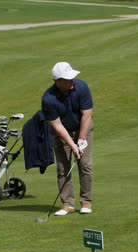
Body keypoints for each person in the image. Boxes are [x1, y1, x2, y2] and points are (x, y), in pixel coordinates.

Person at [41, 61, 94, 215]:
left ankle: (86, 202)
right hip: (61, 133)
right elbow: (57, 126)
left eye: (72, 77)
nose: (72, 81)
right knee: (63, 168)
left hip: (83, 128)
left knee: (85, 165)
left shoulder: (81, 87)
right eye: (67, 79)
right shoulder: (48, 99)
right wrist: (72, 145)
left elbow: (87, 114)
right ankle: (68, 204)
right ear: (57, 81)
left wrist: (82, 140)